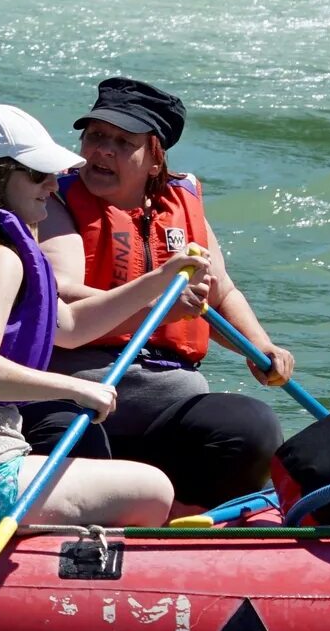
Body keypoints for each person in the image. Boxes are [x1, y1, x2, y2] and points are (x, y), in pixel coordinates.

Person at [0, 105, 202, 530]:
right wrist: (76, 389)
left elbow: (70, 328)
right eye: (39, 175)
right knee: (155, 489)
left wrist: (158, 281)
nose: (54, 185)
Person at [29, 76, 293, 508]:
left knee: (252, 428)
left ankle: (179, 525)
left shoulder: (182, 207)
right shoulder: (56, 200)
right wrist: (156, 308)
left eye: (121, 141)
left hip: (169, 411)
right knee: (66, 438)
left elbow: (219, 293)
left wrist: (259, 346)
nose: (102, 150)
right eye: (95, 135)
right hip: (79, 396)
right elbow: (62, 294)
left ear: (154, 159)